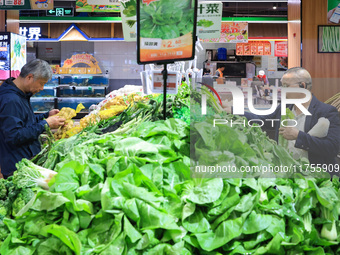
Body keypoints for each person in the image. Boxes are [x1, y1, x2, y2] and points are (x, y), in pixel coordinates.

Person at [225, 67, 340, 166]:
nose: (282, 89)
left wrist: (298, 136)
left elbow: (332, 148)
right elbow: (262, 120)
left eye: (286, 86)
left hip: (314, 177)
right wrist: (233, 110)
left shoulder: (327, 112)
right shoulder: (285, 107)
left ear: (302, 86)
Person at [0, 59, 65, 178]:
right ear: (29, 77)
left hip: (27, 161)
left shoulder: (21, 94)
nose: (42, 88)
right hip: (17, 167)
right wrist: (45, 124)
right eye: (41, 83)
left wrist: (46, 115)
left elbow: (25, 121)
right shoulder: (10, 100)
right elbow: (14, 136)